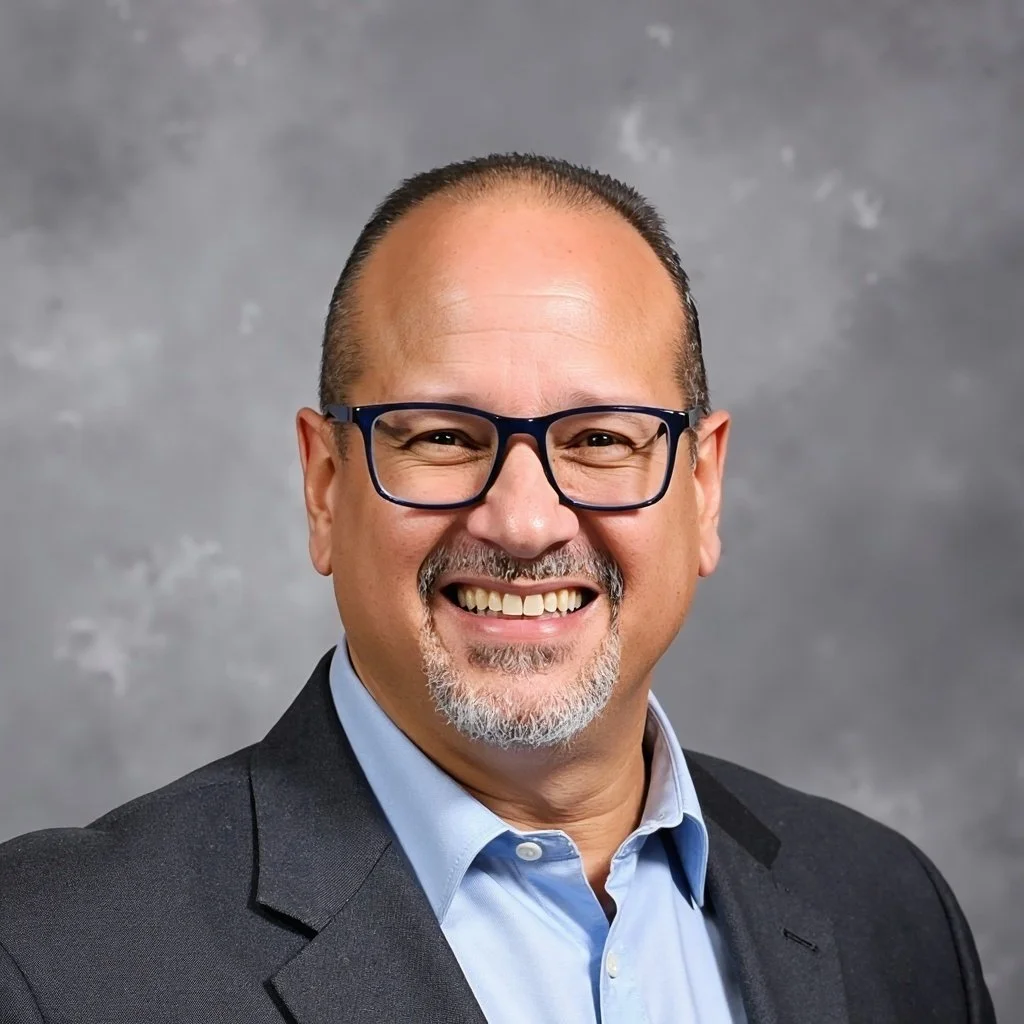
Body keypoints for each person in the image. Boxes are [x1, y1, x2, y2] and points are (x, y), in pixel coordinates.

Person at [0, 154, 996, 1024]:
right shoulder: (51, 959)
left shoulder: (888, 911)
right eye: (443, 437)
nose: (523, 523)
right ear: (325, 484)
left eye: (599, 438)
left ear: (702, 488)